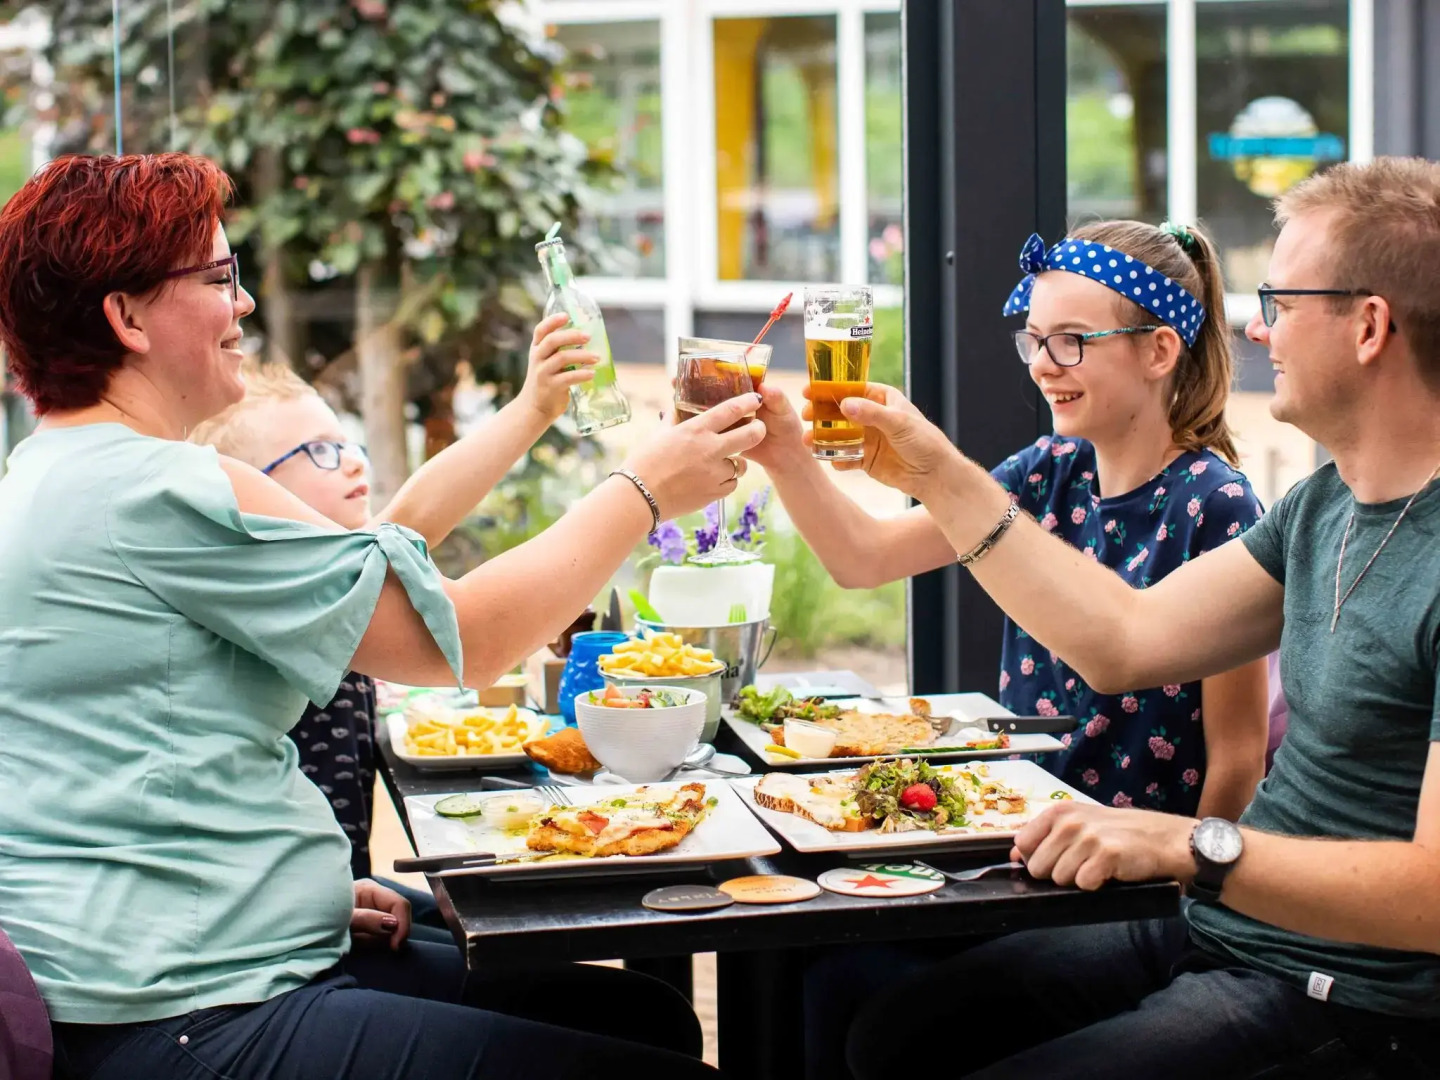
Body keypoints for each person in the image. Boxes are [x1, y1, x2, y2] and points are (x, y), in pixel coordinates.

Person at [0, 152, 762, 1078]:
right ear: (126, 317)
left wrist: (301, 887)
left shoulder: (44, 474)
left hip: (140, 971)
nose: (243, 305)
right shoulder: (159, 489)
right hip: (187, 1011)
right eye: (218, 278)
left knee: (641, 1013)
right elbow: (462, 639)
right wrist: (646, 490)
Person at [822, 156, 1440, 1077]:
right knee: (890, 1032)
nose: (1255, 331)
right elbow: (1124, 642)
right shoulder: (1323, 510)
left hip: (1345, 998)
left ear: (1369, 326)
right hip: (1226, 929)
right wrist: (934, 474)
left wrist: (1189, 843)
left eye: (1281, 301)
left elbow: (1432, 897)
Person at [753, 218, 1269, 817]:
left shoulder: (1216, 504)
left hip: (1140, 873)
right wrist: (786, 452)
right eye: (1033, 340)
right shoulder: (1047, 469)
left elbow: (1239, 757)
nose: (1042, 366)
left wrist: (1189, 891)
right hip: (1019, 829)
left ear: (1158, 350)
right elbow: (863, 558)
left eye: (1071, 340)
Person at [189, 337, 585, 901]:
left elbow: (412, 517)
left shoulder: (331, 583)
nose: (354, 460)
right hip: (288, 908)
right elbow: (472, 636)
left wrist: (533, 409)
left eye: (348, 443)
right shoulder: (278, 597)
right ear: (257, 495)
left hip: (333, 893)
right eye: (320, 452)